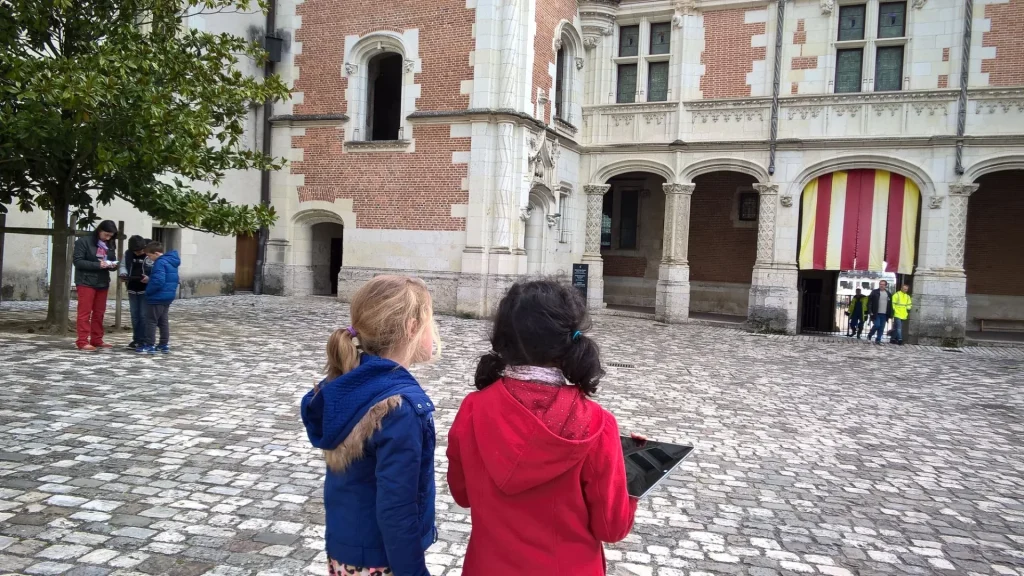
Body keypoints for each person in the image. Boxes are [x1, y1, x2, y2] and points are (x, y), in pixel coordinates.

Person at [447, 280, 637, 575]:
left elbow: (463, 494)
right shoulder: (597, 424)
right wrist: (633, 480)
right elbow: (612, 527)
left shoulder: (473, 409)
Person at [301, 276, 440, 576]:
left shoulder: (344, 386)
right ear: (412, 328)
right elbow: (397, 509)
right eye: (431, 320)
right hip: (384, 561)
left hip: (345, 550)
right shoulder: (400, 407)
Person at [72, 220, 119, 351]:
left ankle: (97, 339)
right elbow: (78, 261)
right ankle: (82, 341)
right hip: (86, 281)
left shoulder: (109, 244)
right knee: (84, 312)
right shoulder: (83, 242)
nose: (108, 238)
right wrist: (98, 265)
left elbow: (112, 258)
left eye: (111, 236)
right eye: (106, 234)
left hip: (102, 281)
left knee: (99, 312)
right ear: (99, 230)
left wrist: (112, 265)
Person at [138, 241, 180, 354]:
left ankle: (149, 345)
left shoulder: (159, 263)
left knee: (151, 321)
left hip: (157, 296)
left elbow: (159, 281)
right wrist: (150, 278)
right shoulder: (171, 261)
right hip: (168, 296)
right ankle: (163, 344)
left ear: (156, 253)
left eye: (149, 256)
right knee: (163, 321)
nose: (149, 258)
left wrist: (148, 291)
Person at [119, 236, 152, 349]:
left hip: (145, 289)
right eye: (136, 252)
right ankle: (136, 339)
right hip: (132, 288)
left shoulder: (150, 254)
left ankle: (144, 340)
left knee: (143, 315)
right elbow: (123, 266)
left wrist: (149, 278)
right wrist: (123, 274)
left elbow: (156, 270)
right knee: (135, 316)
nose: (138, 253)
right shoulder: (128, 254)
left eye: (141, 251)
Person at [867, 280, 893, 345]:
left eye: (883, 284)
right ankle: (870, 335)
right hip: (876, 312)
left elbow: (890, 305)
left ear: (885, 285)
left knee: (881, 327)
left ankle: (878, 339)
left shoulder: (888, 294)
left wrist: (890, 314)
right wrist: (870, 311)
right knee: (877, 325)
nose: (881, 285)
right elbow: (869, 302)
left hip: (884, 313)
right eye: (880, 284)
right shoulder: (874, 292)